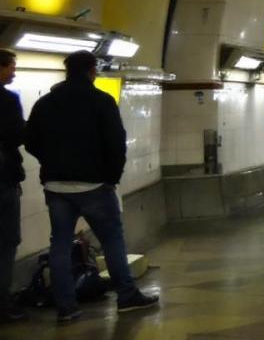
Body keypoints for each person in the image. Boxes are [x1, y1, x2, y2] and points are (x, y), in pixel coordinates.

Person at [24, 51, 158, 324]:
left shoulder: (45, 104)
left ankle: (66, 306)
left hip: (56, 186)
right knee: (111, 240)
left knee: (60, 245)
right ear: (91, 70)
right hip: (95, 185)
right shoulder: (101, 101)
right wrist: (111, 176)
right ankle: (126, 296)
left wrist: (51, 163)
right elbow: (116, 143)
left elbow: (31, 142)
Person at [0, 50, 27, 324]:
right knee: (7, 243)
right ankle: (3, 305)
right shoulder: (7, 99)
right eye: (10, 67)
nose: (14, 72)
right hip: (3, 181)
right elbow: (17, 134)